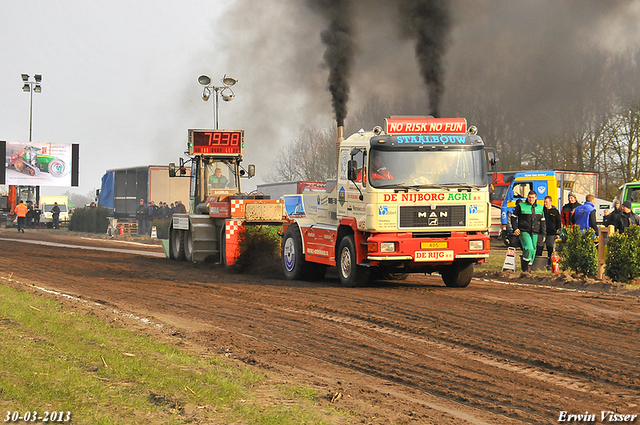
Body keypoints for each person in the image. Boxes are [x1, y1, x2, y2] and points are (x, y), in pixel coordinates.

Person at [511, 190, 545, 272]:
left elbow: (543, 222)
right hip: (524, 231)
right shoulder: (521, 206)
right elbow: (513, 217)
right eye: (529, 197)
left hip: (535, 231)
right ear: (527, 197)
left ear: (536, 198)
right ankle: (525, 267)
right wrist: (515, 228)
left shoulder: (540, 208)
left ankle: (528, 266)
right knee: (529, 248)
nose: (531, 199)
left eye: (533, 197)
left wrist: (544, 234)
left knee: (533, 249)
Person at [536, 195, 562, 263]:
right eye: (544, 202)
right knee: (539, 247)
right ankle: (538, 263)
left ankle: (550, 263)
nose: (545, 204)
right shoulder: (542, 210)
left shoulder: (555, 211)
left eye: (546, 202)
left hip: (551, 233)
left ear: (550, 202)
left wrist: (558, 233)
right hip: (541, 233)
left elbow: (558, 222)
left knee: (550, 248)